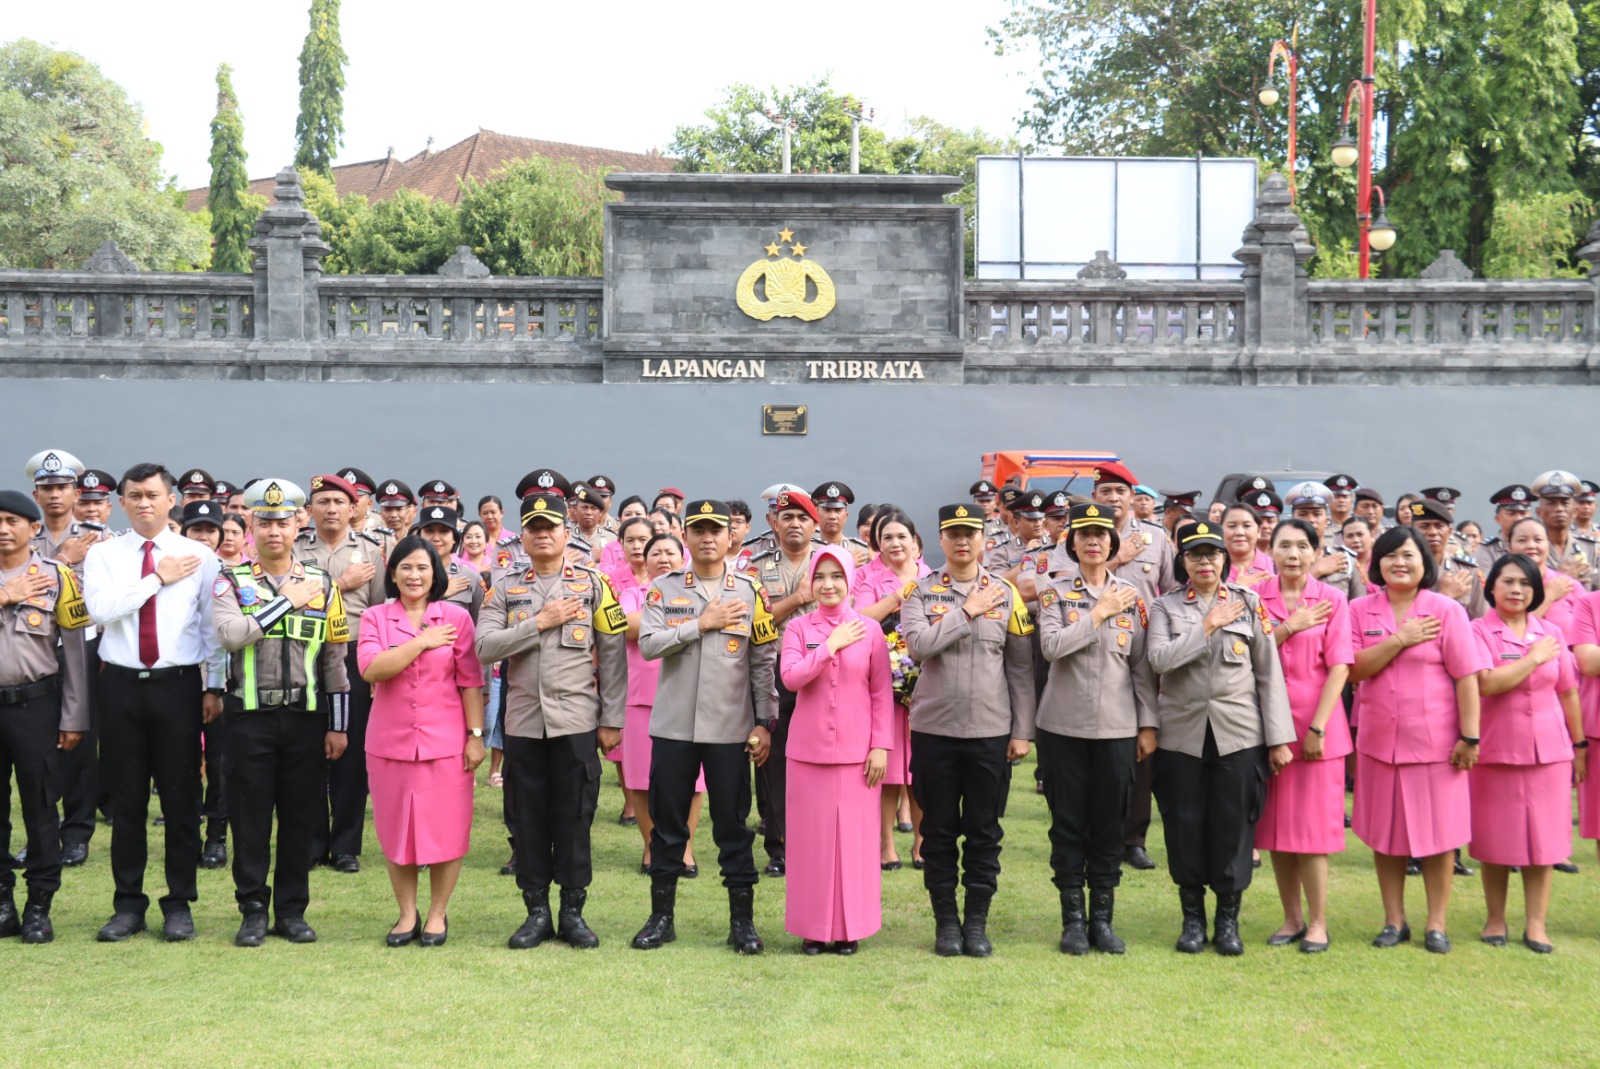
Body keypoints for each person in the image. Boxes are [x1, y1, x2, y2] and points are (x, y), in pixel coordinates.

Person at [82, 463, 227, 943]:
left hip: (178, 686)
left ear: (172, 501)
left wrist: (214, 687)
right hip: (120, 685)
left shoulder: (198, 556)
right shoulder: (104, 555)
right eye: (134, 495)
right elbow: (101, 610)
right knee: (127, 803)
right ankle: (128, 905)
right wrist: (156, 580)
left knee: (182, 800)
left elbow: (212, 629)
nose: (144, 503)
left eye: (152, 495)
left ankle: (179, 903)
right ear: (121, 502)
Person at [477, 490, 626, 951]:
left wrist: (612, 718)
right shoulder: (503, 587)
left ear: (567, 533)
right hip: (523, 723)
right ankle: (536, 910)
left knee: (576, 817)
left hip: (577, 722)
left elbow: (614, 656)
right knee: (528, 819)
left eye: (551, 527)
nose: (543, 534)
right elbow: (484, 648)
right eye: (534, 527)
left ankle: (573, 911)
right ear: (521, 535)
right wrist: (537, 623)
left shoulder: (595, 584)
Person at [631, 499, 777, 954]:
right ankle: (661, 918)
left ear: (730, 535)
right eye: (699, 530)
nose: (709, 537)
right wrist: (701, 623)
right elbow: (649, 644)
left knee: (733, 826)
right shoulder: (663, 588)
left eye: (717, 529)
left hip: (730, 730)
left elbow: (763, 662)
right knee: (668, 826)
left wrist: (764, 723)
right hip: (674, 728)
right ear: (686, 536)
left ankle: (742, 923)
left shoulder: (752, 592)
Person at [212, 479, 351, 946]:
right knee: (249, 818)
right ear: (251, 524)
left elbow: (334, 661)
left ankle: (292, 910)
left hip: (305, 719)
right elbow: (231, 635)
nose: (275, 530)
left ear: (299, 524)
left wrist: (338, 725)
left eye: (284, 521)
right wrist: (284, 602)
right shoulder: (230, 580)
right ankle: (252, 909)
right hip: (248, 718)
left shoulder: (324, 583)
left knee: (300, 817)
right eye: (265, 521)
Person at [1146, 520, 1294, 956]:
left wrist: (1279, 738)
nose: (1205, 561)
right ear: (1183, 561)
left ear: (1224, 559)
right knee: (1184, 823)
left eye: (1212, 553)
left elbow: (1269, 674)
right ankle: (1193, 918)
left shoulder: (1249, 603)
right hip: (1181, 736)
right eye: (1195, 554)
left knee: (1234, 826)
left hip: (1239, 735)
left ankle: (1227, 920)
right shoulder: (1164, 608)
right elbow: (1158, 660)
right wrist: (1206, 626)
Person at [900, 504, 1036, 957]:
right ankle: (946, 923)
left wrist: (1021, 731)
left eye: (970, 534)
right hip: (936, 731)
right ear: (941, 539)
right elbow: (918, 647)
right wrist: (967, 611)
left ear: (984, 540)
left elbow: (1019, 669)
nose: (962, 541)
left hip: (989, 731)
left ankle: (976, 923)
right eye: (953, 533)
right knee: (937, 832)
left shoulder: (1006, 594)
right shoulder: (918, 592)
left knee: (984, 831)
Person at [1348, 526, 1488, 954]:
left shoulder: (1445, 609)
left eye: (1408, 555)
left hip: (1436, 744)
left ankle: (1436, 924)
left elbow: (1466, 677)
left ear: (1424, 561)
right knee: (1385, 835)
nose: (1399, 563)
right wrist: (1399, 640)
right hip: (1378, 742)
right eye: (1390, 556)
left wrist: (1470, 735)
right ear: (1378, 563)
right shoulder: (1359, 609)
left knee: (1439, 836)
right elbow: (1353, 669)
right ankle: (1394, 921)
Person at [1036, 503, 1157, 954]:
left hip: (1117, 729)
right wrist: (1097, 614)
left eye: (1101, 534)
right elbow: (1050, 648)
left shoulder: (1132, 596)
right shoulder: (1053, 592)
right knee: (1068, 823)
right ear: (1073, 542)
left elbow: (1143, 668)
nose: (1093, 541)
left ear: (1112, 543)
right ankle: (1072, 921)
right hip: (1063, 727)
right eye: (1084, 534)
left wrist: (1147, 725)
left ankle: (1102, 920)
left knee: (1109, 824)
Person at [358, 536, 486, 948]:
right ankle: (406, 913)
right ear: (392, 573)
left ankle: (436, 913)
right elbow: (372, 669)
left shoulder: (455, 618)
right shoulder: (375, 617)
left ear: (437, 575)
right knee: (397, 831)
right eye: (406, 567)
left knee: (447, 831)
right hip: (389, 743)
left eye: (423, 568)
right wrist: (421, 642)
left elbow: (470, 682)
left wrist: (475, 736)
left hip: (446, 742)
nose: (414, 575)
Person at [1469, 554, 1586, 952]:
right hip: (1497, 747)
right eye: (1508, 582)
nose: (1516, 590)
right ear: (1492, 587)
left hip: (1550, 750)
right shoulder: (1479, 631)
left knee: (1545, 842)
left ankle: (1536, 924)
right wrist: (1533, 658)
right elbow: (1487, 683)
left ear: (1536, 591)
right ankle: (1495, 919)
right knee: (1495, 839)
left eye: (1525, 583)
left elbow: (1568, 690)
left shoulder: (1551, 630)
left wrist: (1580, 744)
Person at [780, 547, 894, 955]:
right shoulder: (797, 629)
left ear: (849, 582)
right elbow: (791, 679)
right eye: (821, 577)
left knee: (854, 845)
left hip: (857, 755)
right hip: (807, 754)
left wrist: (881, 745)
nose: (828, 585)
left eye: (837, 577)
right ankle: (813, 928)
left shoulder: (870, 630)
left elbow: (881, 693)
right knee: (812, 844)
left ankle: (850, 929)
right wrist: (829, 645)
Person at [1254, 519, 1353, 954]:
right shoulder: (1255, 597)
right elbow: (1248, 655)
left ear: (1316, 552)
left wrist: (1318, 727)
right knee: (1277, 832)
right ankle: (1291, 917)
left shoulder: (1332, 599)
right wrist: (1290, 625)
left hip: (1317, 729)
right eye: (1284, 546)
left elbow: (1340, 667)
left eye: (1301, 546)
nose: (1292, 554)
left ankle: (1318, 922)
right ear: (1270, 550)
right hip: (1266, 727)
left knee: (1312, 834)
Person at [0, 489, 90, 943]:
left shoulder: (58, 577)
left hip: (36, 706)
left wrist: (74, 716)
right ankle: (2, 900)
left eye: (12, 521)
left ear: (34, 529)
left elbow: (75, 654)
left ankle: (39, 904)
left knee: (40, 806)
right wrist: (5, 595)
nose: (2, 529)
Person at [296, 474, 389, 874]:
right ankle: (313, 841)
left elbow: (382, 610)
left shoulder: (370, 550)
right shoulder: (294, 547)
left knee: (351, 752)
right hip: (305, 651)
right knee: (308, 746)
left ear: (354, 509)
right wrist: (339, 585)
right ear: (310, 509)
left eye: (339, 501)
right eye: (323, 501)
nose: (331, 509)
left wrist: (376, 673)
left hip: (353, 654)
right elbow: (288, 598)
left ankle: (346, 845)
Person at [618, 529, 705, 874]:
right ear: (645, 560)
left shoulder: (699, 592)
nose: (663, 558)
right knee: (639, 778)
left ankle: (684, 846)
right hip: (642, 698)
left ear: (683, 558)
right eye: (656, 553)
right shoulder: (632, 594)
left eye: (671, 552)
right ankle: (652, 845)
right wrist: (683, 620)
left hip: (690, 696)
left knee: (693, 780)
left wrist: (657, 622)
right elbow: (624, 626)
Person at [746, 490, 822, 878]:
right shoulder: (755, 567)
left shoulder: (832, 563)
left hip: (823, 672)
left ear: (816, 524)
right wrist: (797, 599)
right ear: (774, 523)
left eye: (802, 518)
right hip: (772, 670)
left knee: (820, 759)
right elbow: (752, 625)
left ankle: (817, 842)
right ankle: (779, 847)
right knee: (772, 760)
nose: (795, 524)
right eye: (787, 516)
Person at [854, 508, 931, 869]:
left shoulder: (932, 576)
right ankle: (886, 844)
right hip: (881, 683)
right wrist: (899, 597)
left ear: (915, 542)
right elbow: (857, 618)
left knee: (921, 770)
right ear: (877, 544)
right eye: (887, 537)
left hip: (926, 686)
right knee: (886, 768)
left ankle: (921, 840)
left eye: (902, 536)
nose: (895, 543)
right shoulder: (866, 576)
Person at [179, 500, 231, 868]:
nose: (202, 536)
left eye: (209, 530)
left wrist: (215, 687)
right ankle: (187, 834)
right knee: (181, 763)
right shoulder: (170, 574)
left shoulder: (234, 576)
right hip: (181, 677)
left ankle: (216, 837)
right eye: (195, 529)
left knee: (220, 763)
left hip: (223, 681)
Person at [1411, 500, 1487, 619]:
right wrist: (1447, 596)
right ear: (1413, 531)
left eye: (1439, 526)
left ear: (1450, 532)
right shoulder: (1404, 569)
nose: (1433, 532)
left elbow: (1480, 619)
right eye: (1424, 526)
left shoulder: (1467, 570)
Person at [417, 506, 484, 622]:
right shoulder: (407, 575)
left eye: (443, 531)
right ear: (419, 536)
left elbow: (480, 624)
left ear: (454, 538)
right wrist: (438, 594)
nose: (436, 538)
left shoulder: (470, 578)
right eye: (429, 531)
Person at [1475, 485, 1534, 572]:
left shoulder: (1538, 547)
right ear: (1498, 519)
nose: (1518, 518)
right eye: (1511, 513)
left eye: (1523, 513)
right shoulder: (1488, 550)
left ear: (1530, 516)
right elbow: (1485, 584)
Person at [1222, 503, 1271, 586]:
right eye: (1232, 526)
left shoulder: (1274, 567)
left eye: (1247, 526)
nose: (1239, 532)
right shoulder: (1210, 568)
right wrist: (1238, 588)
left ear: (1259, 531)